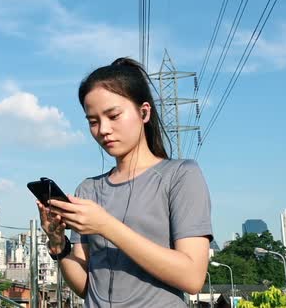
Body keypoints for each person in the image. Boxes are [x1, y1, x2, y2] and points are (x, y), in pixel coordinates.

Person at [36, 57, 213, 307]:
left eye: (113, 115)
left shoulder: (181, 175)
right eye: (93, 121)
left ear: (144, 112)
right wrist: (58, 243)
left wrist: (106, 225)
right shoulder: (88, 190)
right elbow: (86, 287)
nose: (103, 129)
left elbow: (192, 277)